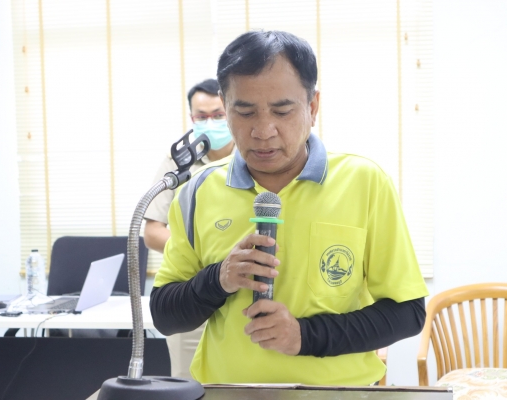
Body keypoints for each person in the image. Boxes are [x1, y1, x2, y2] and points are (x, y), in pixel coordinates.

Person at [150, 30, 429, 385]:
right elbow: (165, 316)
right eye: (245, 112)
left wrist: (304, 335)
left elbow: (407, 313)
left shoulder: (365, 182)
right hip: (230, 392)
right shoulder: (198, 190)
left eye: (282, 111)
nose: (263, 131)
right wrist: (218, 279)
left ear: (312, 107)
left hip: (338, 394)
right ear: (226, 108)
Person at [144, 78, 235, 379]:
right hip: (190, 290)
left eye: (218, 115)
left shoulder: (253, 155)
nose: (211, 122)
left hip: (240, 292)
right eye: (202, 116)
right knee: (188, 383)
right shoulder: (179, 161)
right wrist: (200, 254)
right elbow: (152, 231)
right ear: (191, 118)